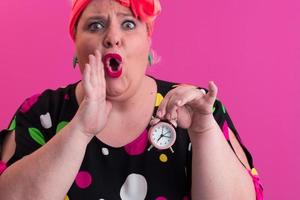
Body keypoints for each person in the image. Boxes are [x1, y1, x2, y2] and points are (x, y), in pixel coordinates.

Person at [0, 0, 263, 199]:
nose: (113, 37)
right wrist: (79, 131)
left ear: (148, 40)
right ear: (76, 43)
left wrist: (204, 131)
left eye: (128, 24)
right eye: (95, 25)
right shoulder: (40, 113)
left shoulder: (197, 110)